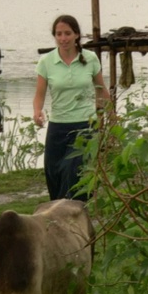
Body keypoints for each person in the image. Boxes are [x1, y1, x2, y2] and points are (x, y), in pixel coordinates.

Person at [33, 14, 111, 202]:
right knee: (55, 173)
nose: (63, 38)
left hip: (85, 125)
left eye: (67, 33)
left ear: (77, 35)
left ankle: (78, 215)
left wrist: (111, 115)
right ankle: (58, 216)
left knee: (75, 173)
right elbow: (40, 94)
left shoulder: (90, 58)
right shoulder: (46, 61)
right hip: (58, 126)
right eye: (59, 34)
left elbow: (101, 90)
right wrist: (37, 112)